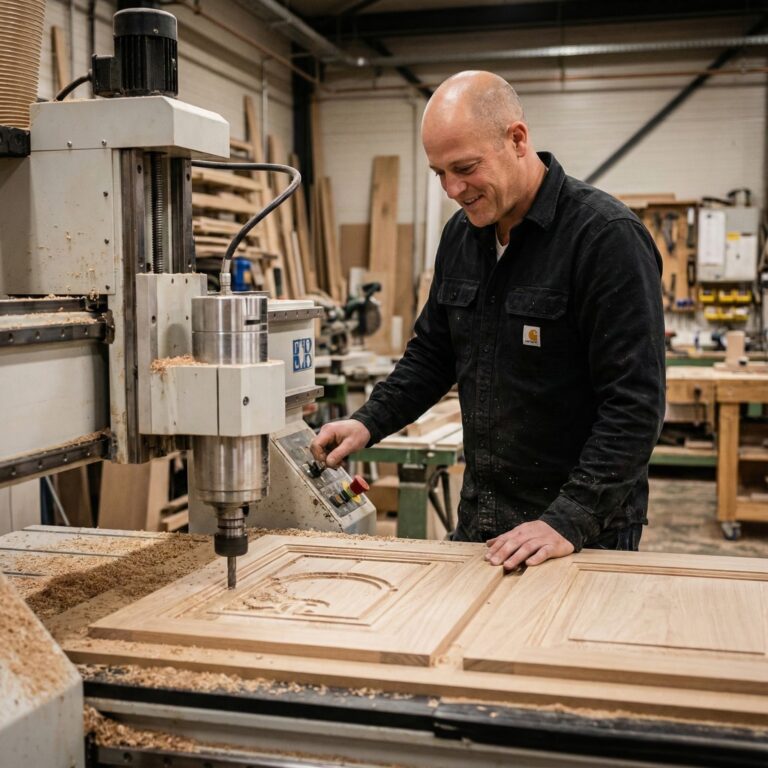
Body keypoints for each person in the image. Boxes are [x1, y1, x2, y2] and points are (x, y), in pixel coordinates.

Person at [311, 70, 665, 570]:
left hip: (580, 531)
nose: (453, 189)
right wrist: (367, 422)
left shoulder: (605, 238)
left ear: (517, 140)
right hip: (484, 519)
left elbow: (635, 404)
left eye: (465, 168)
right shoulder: (461, 235)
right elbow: (434, 354)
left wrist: (569, 519)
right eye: (439, 173)